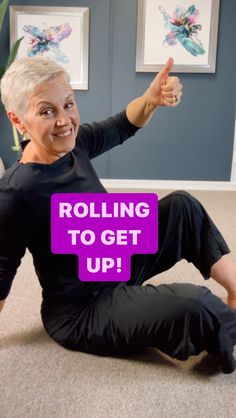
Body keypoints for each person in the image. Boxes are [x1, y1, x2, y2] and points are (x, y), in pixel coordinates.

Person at [0, 57, 236, 374]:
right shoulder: (18, 191)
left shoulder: (75, 143)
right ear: (17, 120)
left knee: (182, 206)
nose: (64, 120)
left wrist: (151, 99)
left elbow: (123, 124)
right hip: (82, 309)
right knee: (195, 305)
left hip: (114, 260)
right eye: (47, 111)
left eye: (68, 104)